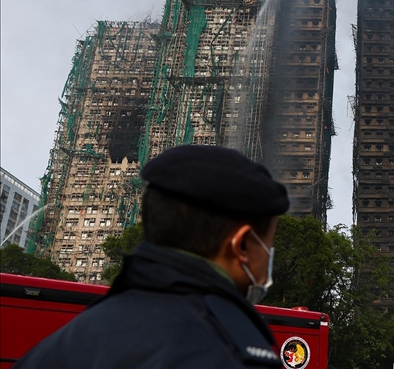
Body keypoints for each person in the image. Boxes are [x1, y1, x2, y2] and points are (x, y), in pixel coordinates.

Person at [14, 145, 290, 368]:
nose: (269, 257)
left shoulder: (53, 348)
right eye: (269, 244)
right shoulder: (230, 354)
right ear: (242, 245)